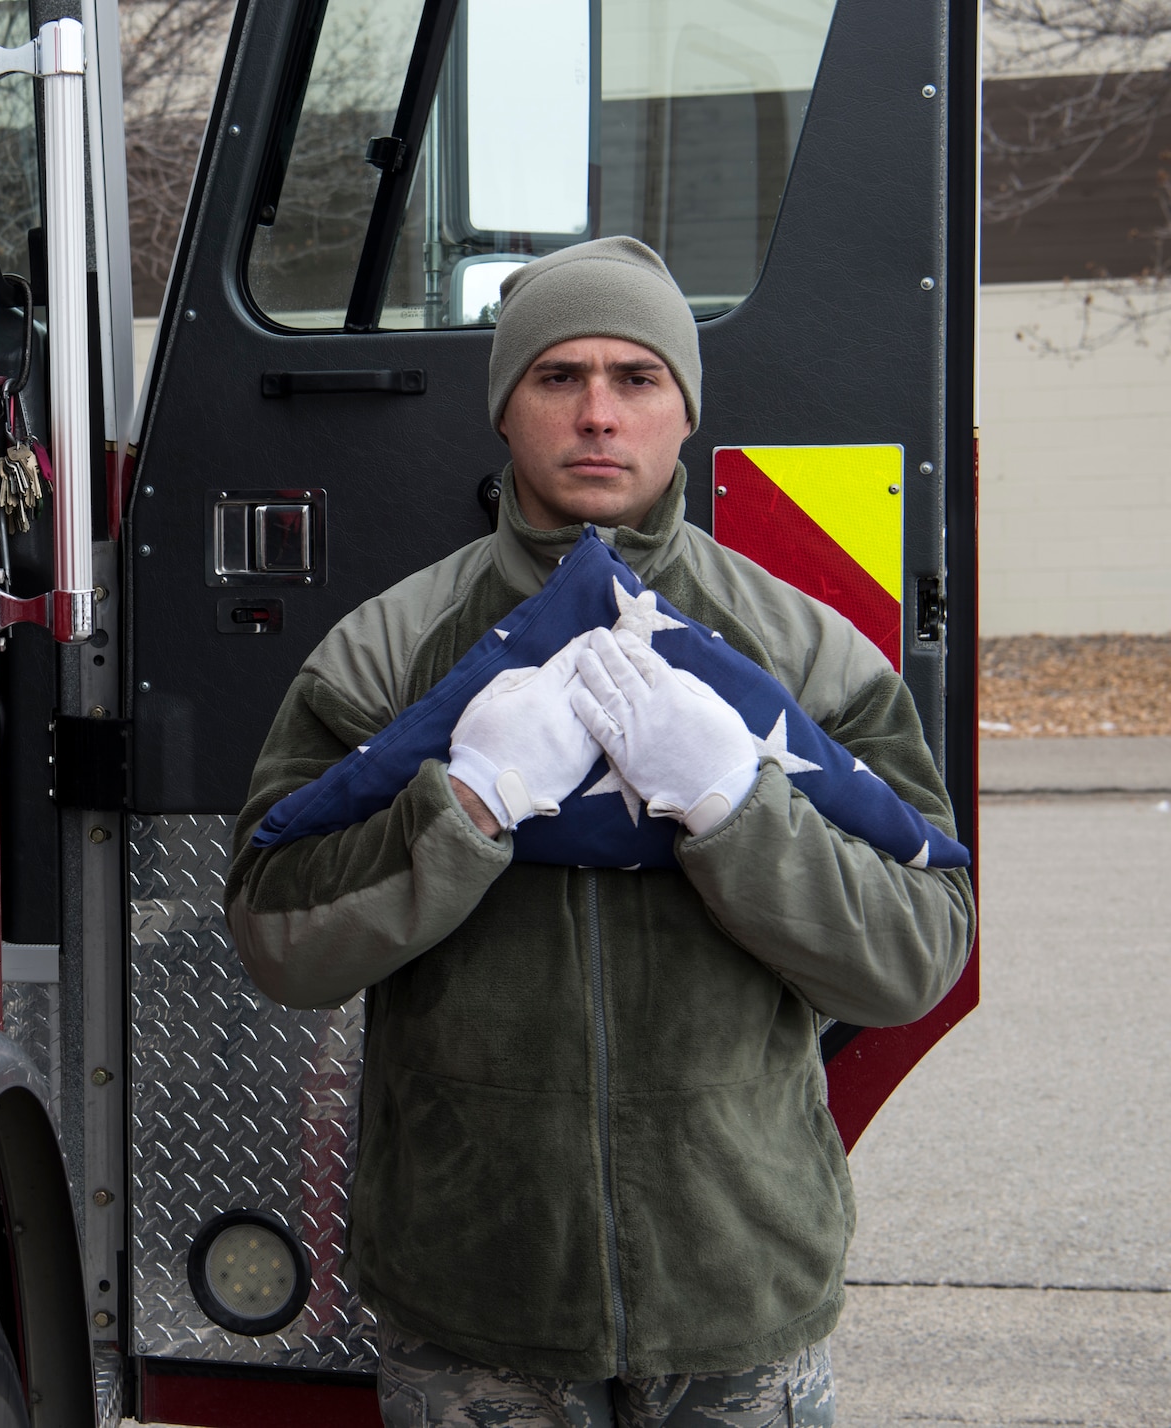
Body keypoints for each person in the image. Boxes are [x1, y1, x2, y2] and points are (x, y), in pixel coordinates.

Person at [225, 237, 973, 1427]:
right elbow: (278, 937)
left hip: (737, 1293)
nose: (595, 414)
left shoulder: (801, 653)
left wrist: (737, 806)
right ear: (503, 412)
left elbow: (915, 951)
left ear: (683, 412)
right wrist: (461, 805)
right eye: (556, 376)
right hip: (476, 1303)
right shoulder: (385, 653)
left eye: (636, 378)